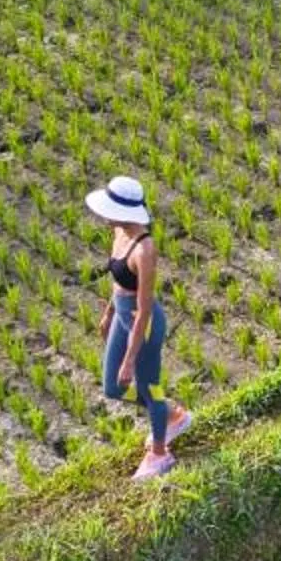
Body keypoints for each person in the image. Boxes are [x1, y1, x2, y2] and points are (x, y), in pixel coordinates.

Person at [88, 175, 192, 477]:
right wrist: (109, 313)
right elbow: (117, 281)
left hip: (142, 325)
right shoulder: (119, 233)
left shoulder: (145, 250)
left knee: (150, 388)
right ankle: (173, 415)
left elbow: (145, 309)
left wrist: (131, 359)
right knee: (112, 387)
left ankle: (160, 454)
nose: (104, 216)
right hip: (122, 316)